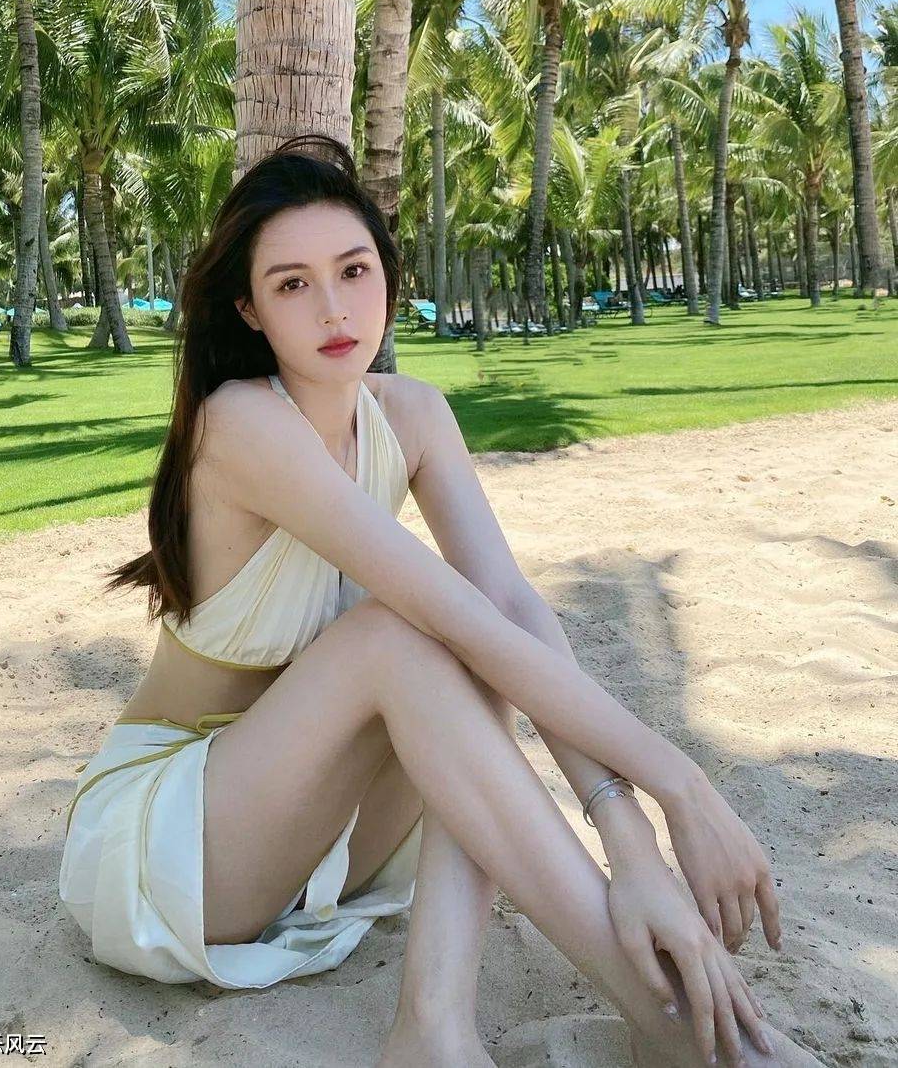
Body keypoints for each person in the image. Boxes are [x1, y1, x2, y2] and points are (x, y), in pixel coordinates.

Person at [59, 134, 820, 1068]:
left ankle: (433, 1024)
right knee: (407, 631)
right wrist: (682, 786)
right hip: (171, 844)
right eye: (293, 285)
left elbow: (511, 610)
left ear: (389, 272)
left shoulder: (413, 416)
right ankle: (677, 1029)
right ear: (249, 309)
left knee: (469, 638)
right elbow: (454, 617)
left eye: (354, 270)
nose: (334, 308)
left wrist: (630, 833)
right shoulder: (242, 422)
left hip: (315, 824)